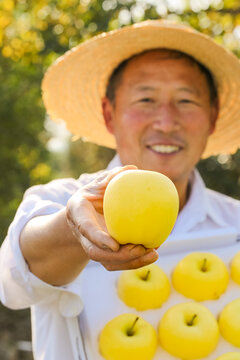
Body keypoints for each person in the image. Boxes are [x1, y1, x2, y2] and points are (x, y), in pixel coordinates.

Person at [1, 20, 240, 360]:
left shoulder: (235, 224)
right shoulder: (60, 200)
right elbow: (15, 275)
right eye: (145, 99)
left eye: (186, 101)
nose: (166, 122)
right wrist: (72, 228)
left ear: (212, 118)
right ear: (109, 114)